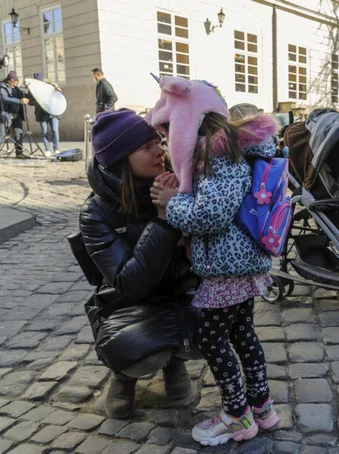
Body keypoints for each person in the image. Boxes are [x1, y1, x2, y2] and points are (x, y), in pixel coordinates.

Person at [147, 76, 279, 446]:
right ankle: (262, 407)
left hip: (227, 265)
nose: (166, 142)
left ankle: (236, 415)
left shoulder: (213, 150)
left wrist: (170, 202)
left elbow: (212, 214)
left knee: (212, 338)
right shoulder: (226, 147)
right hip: (242, 261)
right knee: (242, 333)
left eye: (167, 132)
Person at [79, 108, 199, 419]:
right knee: (141, 354)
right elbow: (130, 284)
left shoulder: (180, 184)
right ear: (123, 159)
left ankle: (175, 364)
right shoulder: (96, 213)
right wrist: (165, 221)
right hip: (125, 306)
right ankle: (124, 376)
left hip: (178, 293)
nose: (160, 151)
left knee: (217, 330)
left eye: (157, 141)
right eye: (146, 148)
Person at [27, 73, 60, 156]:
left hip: (52, 112)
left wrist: (57, 88)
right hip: (41, 113)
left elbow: (57, 95)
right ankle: (47, 149)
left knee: (55, 131)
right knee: (44, 132)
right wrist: (38, 101)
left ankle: (56, 149)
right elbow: (30, 101)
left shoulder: (49, 86)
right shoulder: (32, 90)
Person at [0, 70, 29, 158]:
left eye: (17, 82)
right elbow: (5, 99)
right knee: (2, 135)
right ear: (9, 80)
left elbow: (25, 96)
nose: (15, 84)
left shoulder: (17, 89)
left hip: (17, 114)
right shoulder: (2, 88)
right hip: (5, 115)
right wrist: (19, 101)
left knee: (18, 133)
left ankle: (19, 153)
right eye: (14, 82)